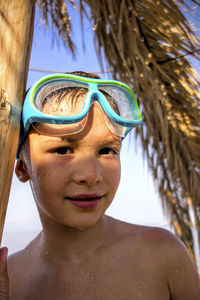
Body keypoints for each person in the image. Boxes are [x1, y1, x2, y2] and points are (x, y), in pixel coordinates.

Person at [0, 71, 199, 300]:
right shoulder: (11, 279)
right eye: (63, 150)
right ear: (22, 168)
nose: (91, 175)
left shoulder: (163, 254)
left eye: (107, 151)